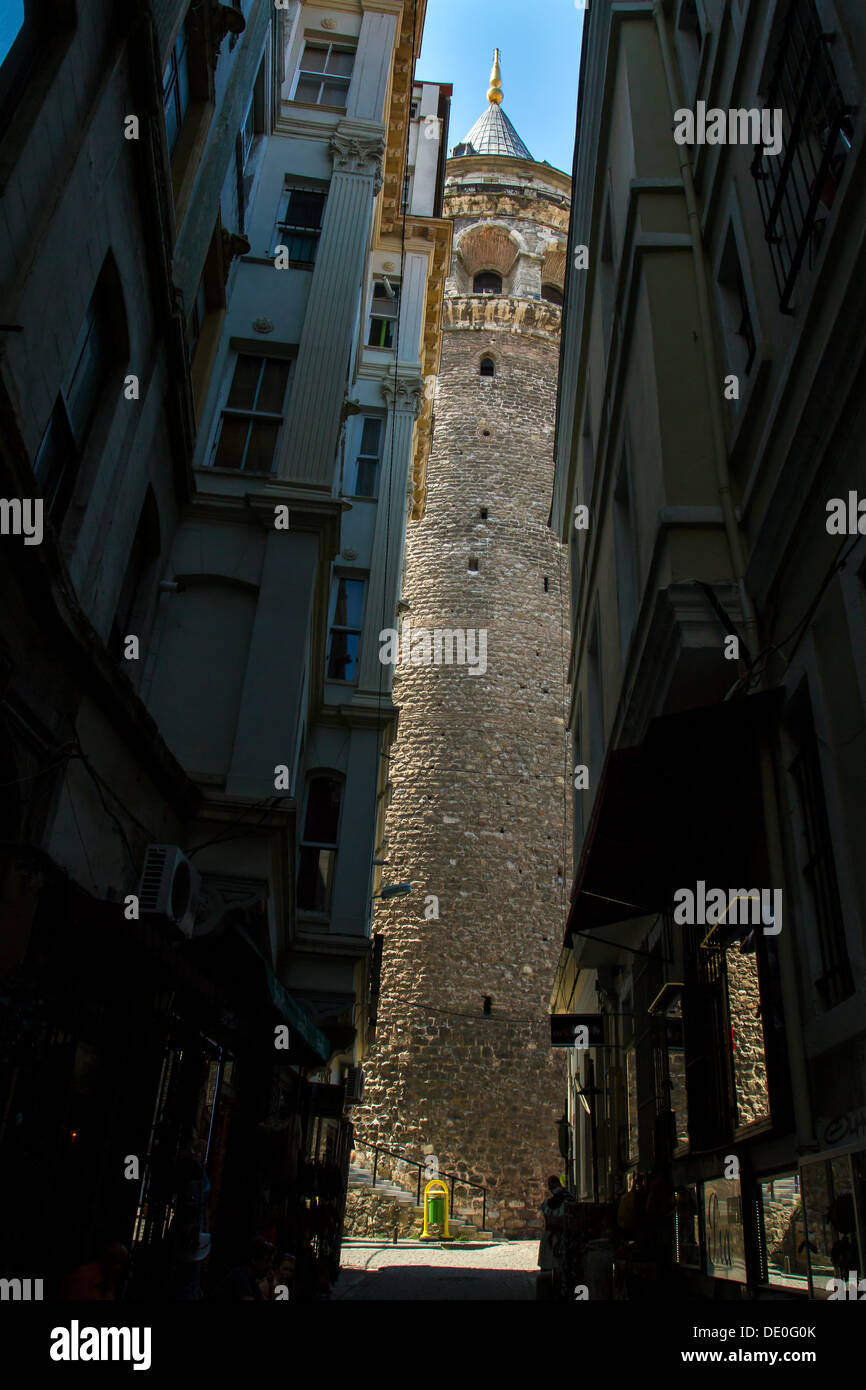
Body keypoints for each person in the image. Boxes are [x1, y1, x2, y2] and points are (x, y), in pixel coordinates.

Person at [210, 1238, 274, 1300]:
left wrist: (271, 1285)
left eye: (271, 1262)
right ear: (254, 1260)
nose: (270, 1265)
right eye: (267, 1261)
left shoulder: (251, 1280)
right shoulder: (239, 1277)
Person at [61, 1242, 129, 1300]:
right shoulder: (82, 1277)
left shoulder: (109, 1282)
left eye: (122, 1264)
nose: (119, 1268)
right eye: (115, 1261)